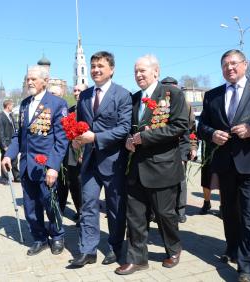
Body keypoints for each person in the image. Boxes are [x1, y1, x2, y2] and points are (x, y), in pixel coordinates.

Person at [197, 49, 250, 282]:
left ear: (245, 64)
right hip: (225, 163)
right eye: (225, 64)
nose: (229, 68)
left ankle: (248, 268)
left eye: (233, 63)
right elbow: (202, 126)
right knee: (230, 212)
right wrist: (212, 134)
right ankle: (232, 249)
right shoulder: (212, 95)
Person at [115, 55, 188, 275]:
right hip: (136, 168)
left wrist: (146, 138)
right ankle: (137, 259)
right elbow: (129, 128)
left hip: (162, 168)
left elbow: (180, 126)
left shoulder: (172, 94)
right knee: (135, 217)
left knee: (165, 215)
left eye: (142, 71)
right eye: (136, 71)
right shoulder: (134, 98)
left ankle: (173, 249)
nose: (138, 75)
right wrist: (129, 139)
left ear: (156, 71)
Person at [70, 51, 132, 267]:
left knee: (115, 207)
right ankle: (88, 250)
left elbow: (124, 129)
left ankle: (115, 247)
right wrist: (77, 141)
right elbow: (80, 126)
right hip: (89, 162)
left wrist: (96, 137)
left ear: (111, 69)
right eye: (93, 65)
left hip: (114, 162)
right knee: (88, 205)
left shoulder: (122, 95)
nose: (95, 69)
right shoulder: (85, 96)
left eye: (100, 66)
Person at [1, 65, 68, 256]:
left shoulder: (57, 104)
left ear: (45, 81)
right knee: (30, 208)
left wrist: (53, 167)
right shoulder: (24, 105)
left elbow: (61, 140)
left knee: (50, 203)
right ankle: (39, 238)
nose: (29, 82)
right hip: (26, 166)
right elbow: (18, 135)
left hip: (46, 166)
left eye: (33, 79)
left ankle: (57, 236)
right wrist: (9, 155)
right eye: (27, 79)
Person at [161, 76, 198, 223]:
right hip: (160, 149)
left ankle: (180, 211)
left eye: (172, 89)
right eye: (166, 89)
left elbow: (192, 129)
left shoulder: (186, 104)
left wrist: (193, 147)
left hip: (180, 147)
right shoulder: (157, 102)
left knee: (180, 182)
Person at [57, 84, 87, 221]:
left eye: (79, 90)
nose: (76, 93)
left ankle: (83, 212)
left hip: (83, 153)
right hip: (70, 152)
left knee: (80, 184)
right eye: (74, 90)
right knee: (71, 182)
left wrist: (83, 151)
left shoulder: (89, 109)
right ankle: (78, 210)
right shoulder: (70, 110)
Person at [0, 99, 19, 184]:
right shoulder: (1, 116)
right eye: (12, 105)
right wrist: (4, 145)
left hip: (12, 141)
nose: (12, 107)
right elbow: (0, 132)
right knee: (5, 161)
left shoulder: (11, 115)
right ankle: (5, 178)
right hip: (5, 143)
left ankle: (16, 176)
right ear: (8, 106)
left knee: (15, 160)